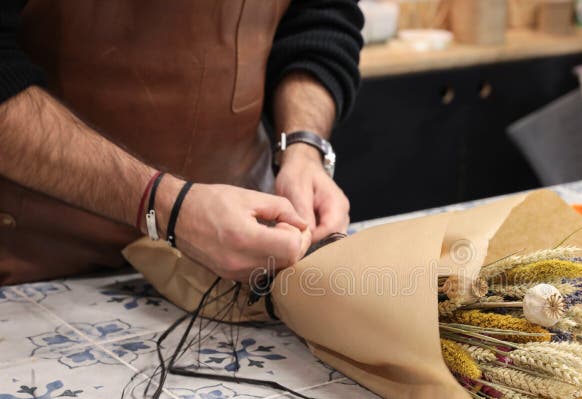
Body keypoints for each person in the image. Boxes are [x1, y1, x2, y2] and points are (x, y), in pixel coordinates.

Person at [0, 0, 364, 285]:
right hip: (38, 262)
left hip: (233, 261)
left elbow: (319, 15)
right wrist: (165, 208)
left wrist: (303, 149)